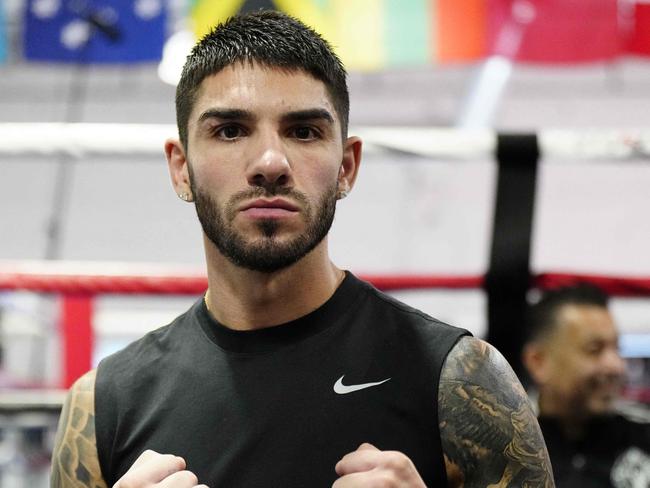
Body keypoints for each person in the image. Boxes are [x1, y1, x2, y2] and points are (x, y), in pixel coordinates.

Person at [50, 10, 553, 488]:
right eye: (229, 130)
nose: (270, 161)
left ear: (346, 167)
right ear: (181, 168)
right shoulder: (104, 404)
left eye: (304, 131)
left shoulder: (458, 379)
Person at [522, 284, 650, 487]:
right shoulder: (505, 447)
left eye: (617, 348)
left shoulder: (643, 439)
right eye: (594, 349)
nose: (616, 365)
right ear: (538, 362)